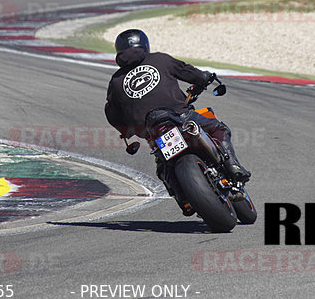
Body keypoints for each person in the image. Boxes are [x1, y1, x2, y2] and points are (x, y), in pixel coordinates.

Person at [104, 28, 252, 187]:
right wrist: (204, 77)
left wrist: (127, 130)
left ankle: (183, 199)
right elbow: (190, 73)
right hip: (179, 115)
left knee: (161, 165)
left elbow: (112, 114)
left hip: (151, 129)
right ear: (145, 44)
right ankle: (233, 165)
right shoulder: (161, 59)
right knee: (218, 128)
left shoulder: (116, 81)